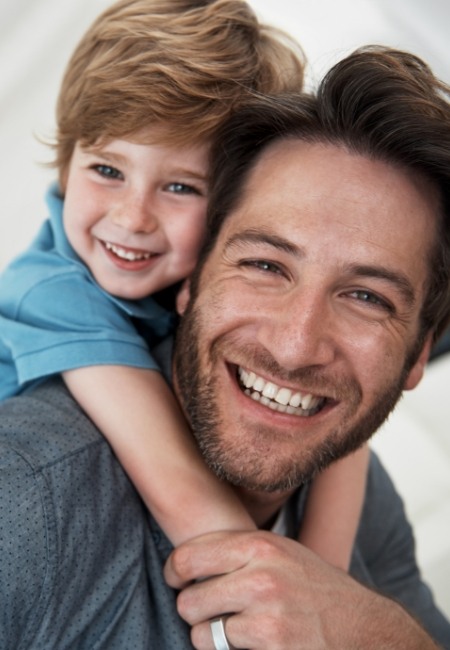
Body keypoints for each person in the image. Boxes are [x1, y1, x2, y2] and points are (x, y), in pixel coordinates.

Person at [1, 44, 450, 649]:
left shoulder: (366, 498)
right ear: (192, 275)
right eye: (265, 264)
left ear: (419, 353)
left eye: (367, 298)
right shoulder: (26, 494)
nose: (295, 348)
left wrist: (379, 634)